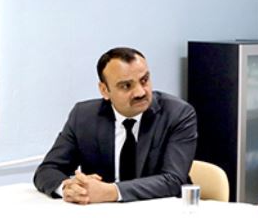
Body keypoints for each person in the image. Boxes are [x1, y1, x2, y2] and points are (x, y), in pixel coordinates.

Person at [34, 47, 197, 204]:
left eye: (144, 80)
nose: (140, 92)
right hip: (101, 214)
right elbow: (47, 170)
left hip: (162, 211)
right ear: (104, 90)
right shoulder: (84, 116)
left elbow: (173, 180)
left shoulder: (177, 114)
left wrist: (111, 192)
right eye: (126, 86)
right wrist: (68, 188)